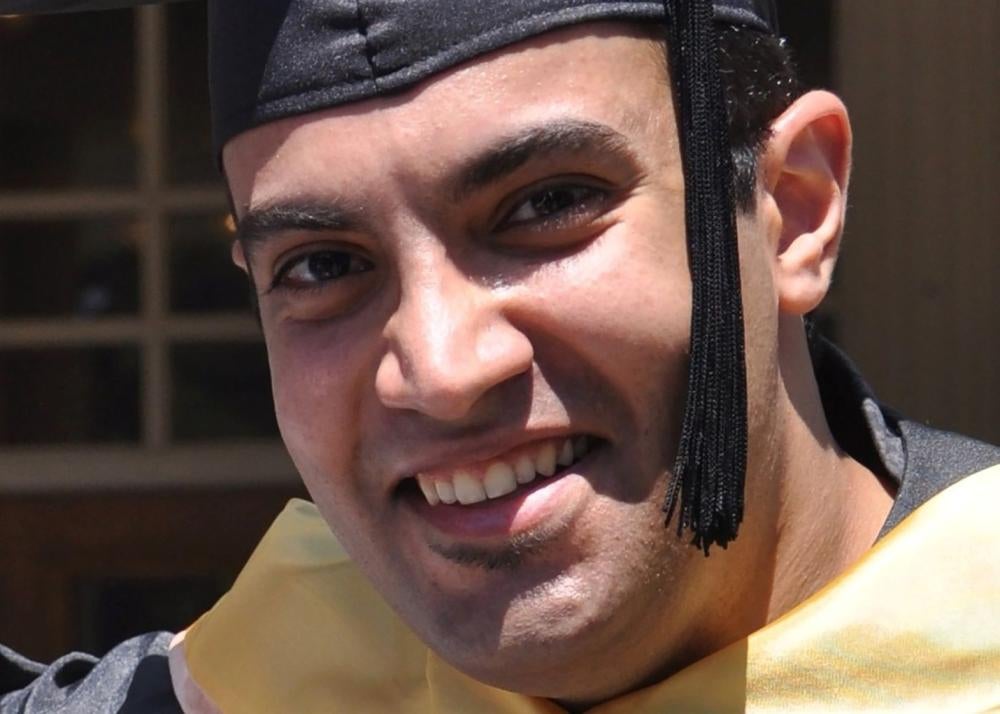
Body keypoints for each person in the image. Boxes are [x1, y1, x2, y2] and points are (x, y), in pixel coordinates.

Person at [1, 0, 998, 712]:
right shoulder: (236, 691)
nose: (438, 368)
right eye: (321, 265)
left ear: (792, 212)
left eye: (548, 205)